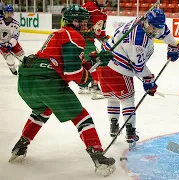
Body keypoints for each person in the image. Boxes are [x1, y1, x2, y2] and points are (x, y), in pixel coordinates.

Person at [9, 5, 116, 176]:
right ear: (73, 22)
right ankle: (98, 156)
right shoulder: (74, 37)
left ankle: (21, 145)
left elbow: (66, 63)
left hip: (27, 80)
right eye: (81, 21)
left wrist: (95, 60)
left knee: (41, 111)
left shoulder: (60, 34)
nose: (85, 25)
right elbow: (73, 72)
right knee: (83, 118)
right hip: (47, 82)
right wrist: (88, 78)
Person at [97, 8, 179, 147]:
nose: (154, 31)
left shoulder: (142, 20)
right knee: (128, 100)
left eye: (156, 28)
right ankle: (130, 132)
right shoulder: (138, 41)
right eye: (152, 27)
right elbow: (138, 67)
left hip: (103, 63)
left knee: (113, 97)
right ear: (147, 22)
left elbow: (163, 31)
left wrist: (173, 45)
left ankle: (113, 126)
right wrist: (149, 81)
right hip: (117, 70)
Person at [80, 0, 108, 100]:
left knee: (87, 62)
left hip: (88, 40)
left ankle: (83, 85)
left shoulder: (103, 12)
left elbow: (100, 31)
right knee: (95, 61)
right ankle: (95, 88)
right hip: (83, 39)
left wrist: (104, 39)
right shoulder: (89, 6)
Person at [0, 5, 25, 75]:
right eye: (7, 13)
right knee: (10, 58)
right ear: (4, 13)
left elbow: (15, 36)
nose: (9, 15)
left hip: (13, 43)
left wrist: (10, 44)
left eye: (11, 13)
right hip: (2, 45)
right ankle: (12, 67)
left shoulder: (16, 24)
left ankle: (22, 70)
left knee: (22, 57)